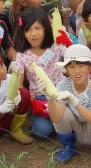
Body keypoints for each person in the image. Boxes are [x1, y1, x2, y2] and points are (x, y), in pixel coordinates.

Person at [48, 44, 91, 166]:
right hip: (77, 131)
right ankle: (69, 146)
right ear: (66, 69)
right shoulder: (62, 85)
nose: (77, 71)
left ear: (90, 67)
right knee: (63, 113)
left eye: (81, 65)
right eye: (72, 67)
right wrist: (50, 98)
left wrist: (75, 101)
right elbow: (56, 118)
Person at [12, 8, 68, 140]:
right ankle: (42, 120)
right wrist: (32, 102)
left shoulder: (56, 45)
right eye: (28, 30)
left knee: (66, 124)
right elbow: (20, 86)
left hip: (61, 92)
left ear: (46, 28)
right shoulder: (22, 55)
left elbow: (73, 59)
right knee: (42, 132)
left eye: (37, 28)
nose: (33, 34)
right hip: (40, 98)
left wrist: (68, 43)